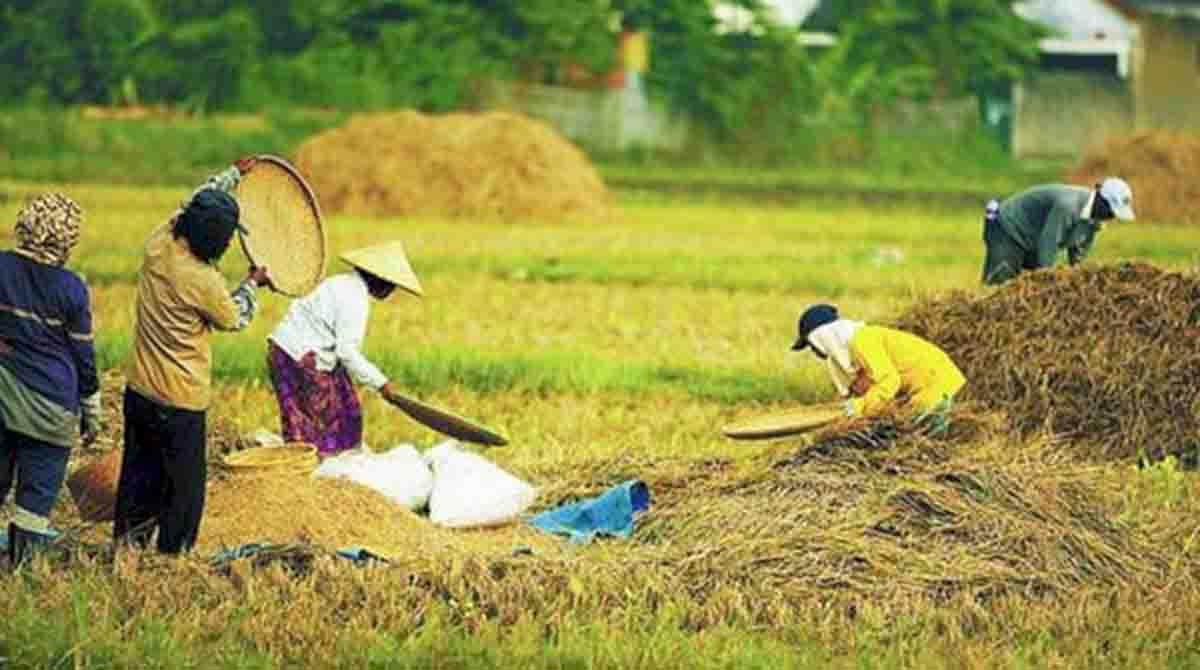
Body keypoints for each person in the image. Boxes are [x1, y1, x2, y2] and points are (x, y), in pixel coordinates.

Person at [113, 158, 272, 554]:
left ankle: (127, 549)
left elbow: (191, 204)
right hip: (181, 400)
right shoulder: (203, 282)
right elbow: (235, 318)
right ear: (216, 242)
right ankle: (173, 558)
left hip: (139, 390)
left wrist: (232, 175)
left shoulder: (160, 242)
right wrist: (253, 283)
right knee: (184, 488)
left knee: (138, 474)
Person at [0, 194, 100, 565]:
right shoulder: (70, 288)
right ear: (66, 240)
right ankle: (22, 569)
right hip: (51, 407)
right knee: (36, 496)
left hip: (3, 396)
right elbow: (84, 357)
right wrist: (91, 408)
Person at [266, 241, 423, 460]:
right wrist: (382, 383)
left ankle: (328, 470)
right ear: (381, 281)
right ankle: (319, 475)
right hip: (298, 357)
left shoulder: (341, 283)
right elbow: (347, 352)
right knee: (318, 427)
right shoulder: (355, 299)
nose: (392, 291)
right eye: (392, 285)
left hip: (285, 350)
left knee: (345, 409)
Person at [791, 304, 966, 427]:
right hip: (922, 388)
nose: (814, 351)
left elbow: (889, 381)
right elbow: (866, 384)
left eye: (812, 345)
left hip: (933, 385)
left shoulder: (863, 341)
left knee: (917, 441)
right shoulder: (851, 351)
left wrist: (859, 407)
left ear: (823, 337)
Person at [981, 177, 1135, 285]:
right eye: (1111, 211)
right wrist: (1050, 282)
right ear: (1101, 200)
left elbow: (1078, 258)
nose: (1112, 217)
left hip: (1033, 239)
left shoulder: (1094, 221)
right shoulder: (1068, 206)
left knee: (1031, 291)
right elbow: (1048, 244)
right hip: (1008, 229)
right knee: (1001, 286)